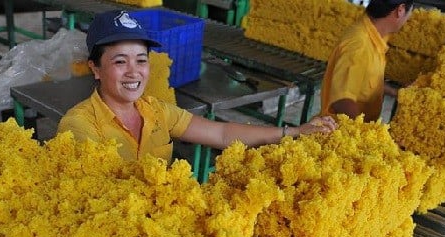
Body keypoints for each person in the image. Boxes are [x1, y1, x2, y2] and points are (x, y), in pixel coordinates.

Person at [58, 10, 337, 164]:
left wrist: (293, 132)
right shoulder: (79, 126)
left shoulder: (155, 111)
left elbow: (222, 132)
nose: (134, 72)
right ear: (95, 68)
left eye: (141, 60)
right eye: (120, 61)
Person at [319, 0, 414, 122]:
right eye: (409, 14)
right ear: (400, 10)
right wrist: (368, 133)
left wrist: (396, 92)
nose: (407, 21)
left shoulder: (377, 35)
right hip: (341, 131)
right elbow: (341, 102)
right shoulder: (359, 44)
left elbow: (367, 81)